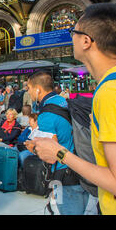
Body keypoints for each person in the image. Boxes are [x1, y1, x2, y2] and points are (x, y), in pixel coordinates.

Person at [32, 3, 116, 215]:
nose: (71, 38)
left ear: (86, 41)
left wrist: (59, 153)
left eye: (72, 32)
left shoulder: (111, 92)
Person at [25, 71, 82, 215]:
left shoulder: (46, 115)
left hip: (65, 173)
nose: (28, 92)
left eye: (29, 88)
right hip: (82, 165)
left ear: (38, 89)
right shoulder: (63, 101)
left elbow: (51, 155)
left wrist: (33, 148)